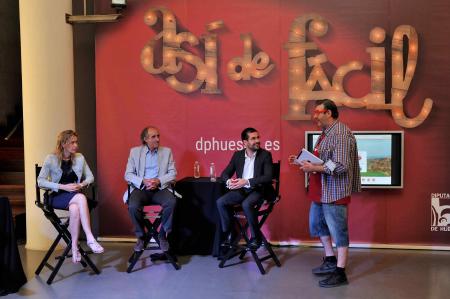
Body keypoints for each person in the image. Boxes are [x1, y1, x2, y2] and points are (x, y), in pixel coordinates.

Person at [289, 99, 361, 288]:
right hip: (320, 191)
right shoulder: (326, 133)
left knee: (339, 231)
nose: (314, 116)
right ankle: (330, 260)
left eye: (317, 112)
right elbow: (325, 160)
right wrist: (303, 162)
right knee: (318, 225)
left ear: (329, 112)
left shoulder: (341, 133)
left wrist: (315, 167)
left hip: (334, 192)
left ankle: (340, 272)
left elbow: (341, 165)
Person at [37, 130, 104, 264]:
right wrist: (63, 187)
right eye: (72, 142)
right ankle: (90, 237)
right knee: (81, 198)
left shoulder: (79, 158)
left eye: (76, 142)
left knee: (75, 209)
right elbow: (40, 181)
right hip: (56, 195)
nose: (76, 145)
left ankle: (74, 248)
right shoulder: (51, 158)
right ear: (63, 143)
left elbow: (90, 177)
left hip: (73, 195)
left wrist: (81, 184)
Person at [217, 127, 275, 251]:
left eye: (258, 137)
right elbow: (225, 173)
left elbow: (268, 177)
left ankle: (256, 238)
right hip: (242, 190)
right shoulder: (237, 155)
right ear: (245, 142)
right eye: (253, 138)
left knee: (246, 204)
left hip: (259, 189)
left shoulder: (265, 155)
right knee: (221, 202)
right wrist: (229, 181)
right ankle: (228, 234)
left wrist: (247, 181)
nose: (257, 140)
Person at [124, 126, 177, 252]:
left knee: (171, 202)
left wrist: (158, 181)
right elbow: (128, 174)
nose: (158, 139)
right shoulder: (135, 152)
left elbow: (173, 173)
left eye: (158, 136)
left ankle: (163, 235)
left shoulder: (166, 152)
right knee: (132, 206)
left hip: (160, 189)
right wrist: (143, 181)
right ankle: (141, 236)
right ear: (145, 139)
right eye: (153, 137)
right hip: (141, 188)